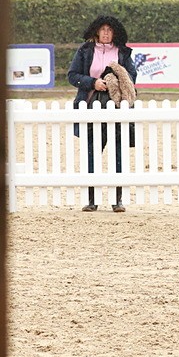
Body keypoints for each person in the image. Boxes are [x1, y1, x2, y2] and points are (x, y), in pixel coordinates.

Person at [67, 15, 138, 212]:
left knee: (118, 154)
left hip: (116, 108)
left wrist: (116, 79)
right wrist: (93, 82)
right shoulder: (85, 51)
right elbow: (72, 76)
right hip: (91, 107)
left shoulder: (123, 52)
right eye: (103, 29)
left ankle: (117, 200)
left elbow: (132, 76)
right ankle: (92, 200)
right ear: (96, 31)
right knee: (92, 154)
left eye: (109, 29)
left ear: (115, 32)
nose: (106, 33)